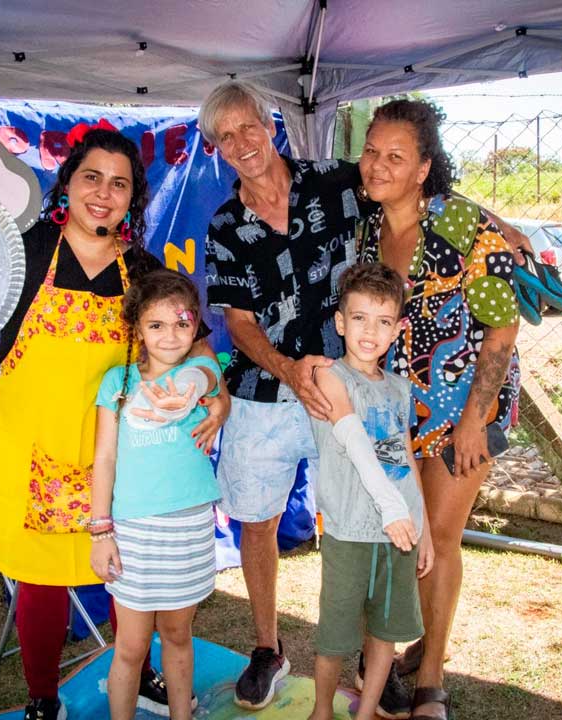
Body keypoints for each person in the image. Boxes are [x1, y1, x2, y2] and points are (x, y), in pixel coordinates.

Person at [0, 126, 227, 720]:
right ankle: (42, 700)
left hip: (117, 451)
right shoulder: (21, 252)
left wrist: (215, 394)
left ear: (132, 198)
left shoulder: (143, 272)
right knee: (38, 576)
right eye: (91, 177)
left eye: (119, 184)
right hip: (31, 442)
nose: (103, 193)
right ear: (68, 182)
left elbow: (198, 346)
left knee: (130, 576)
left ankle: (140, 675)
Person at [198, 80, 407, 712]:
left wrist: (496, 224)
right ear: (215, 149)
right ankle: (268, 647)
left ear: (270, 123)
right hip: (266, 387)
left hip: (349, 382)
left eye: (249, 126)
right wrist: (289, 371)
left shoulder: (338, 182)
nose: (242, 143)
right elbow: (237, 322)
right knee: (254, 519)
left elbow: (412, 191)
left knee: (370, 513)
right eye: (225, 137)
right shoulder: (226, 225)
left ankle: (380, 660)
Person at [355, 98, 520, 720]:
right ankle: (402, 652)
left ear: (425, 168)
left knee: (440, 538)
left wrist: (476, 419)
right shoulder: (370, 228)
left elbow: (502, 331)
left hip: (464, 408)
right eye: (372, 151)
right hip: (398, 411)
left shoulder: (462, 226)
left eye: (395, 156)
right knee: (405, 539)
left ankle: (430, 677)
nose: (377, 165)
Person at [90, 269, 222, 720]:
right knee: (129, 647)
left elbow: (204, 375)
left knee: (179, 636)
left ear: (196, 326)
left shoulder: (200, 372)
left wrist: (187, 393)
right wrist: (99, 530)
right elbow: (104, 460)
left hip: (188, 527)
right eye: (156, 325)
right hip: (133, 533)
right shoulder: (117, 383)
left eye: (182, 324)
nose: (170, 336)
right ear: (138, 329)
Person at [307, 262, 433, 720]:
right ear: (340, 322)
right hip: (351, 531)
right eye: (359, 318)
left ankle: (366, 713)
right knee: (335, 638)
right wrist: (392, 508)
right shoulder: (330, 376)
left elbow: (405, 460)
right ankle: (321, 712)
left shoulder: (399, 389)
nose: (369, 331)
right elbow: (355, 441)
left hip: (399, 532)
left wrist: (424, 531)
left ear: (397, 329)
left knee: (385, 633)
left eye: (383, 322)